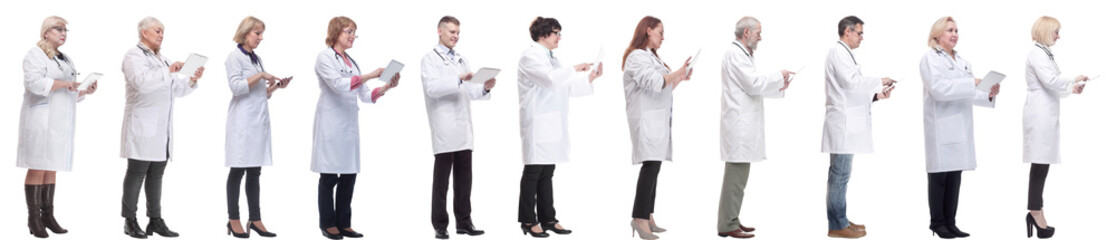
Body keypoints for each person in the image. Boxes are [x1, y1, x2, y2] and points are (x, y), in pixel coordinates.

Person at [312, 16, 400, 240]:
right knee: (329, 176)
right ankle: (327, 223)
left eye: (354, 32)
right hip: (331, 124)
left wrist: (387, 86)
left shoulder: (352, 62)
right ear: (335, 33)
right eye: (348, 32)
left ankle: (344, 223)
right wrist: (370, 74)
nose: (352, 36)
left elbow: (365, 95)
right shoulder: (324, 57)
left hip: (348, 125)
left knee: (349, 175)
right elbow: (338, 85)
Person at [120, 16, 204, 239]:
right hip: (141, 125)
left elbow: (177, 90)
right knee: (137, 173)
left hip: (161, 129)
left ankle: (155, 220)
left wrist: (192, 80)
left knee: (156, 175)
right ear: (144, 32)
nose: (161, 35)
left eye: (163, 32)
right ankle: (129, 220)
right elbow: (141, 82)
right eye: (157, 31)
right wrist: (169, 71)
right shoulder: (133, 56)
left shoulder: (163, 60)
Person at [517, 16, 601, 238]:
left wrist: (590, 77)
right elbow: (550, 80)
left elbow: (565, 86)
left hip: (551, 123)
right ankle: (527, 219)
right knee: (533, 171)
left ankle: (548, 219)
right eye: (556, 33)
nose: (559, 37)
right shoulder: (530, 56)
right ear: (543, 34)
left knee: (547, 172)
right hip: (537, 123)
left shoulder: (552, 59)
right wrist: (574, 68)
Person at [919, 16, 999, 239]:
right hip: (941, 124)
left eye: (956, 30)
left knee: (955, 175)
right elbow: (939, 89)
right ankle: (937, 223)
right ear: (937, 35)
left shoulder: (962, 61)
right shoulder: (930, 59)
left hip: (960, 125)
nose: (954, 34)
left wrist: (988, 94)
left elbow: (971, 93)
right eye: (949, 31)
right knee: (940, 176)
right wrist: (971, 82)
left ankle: (951, 223)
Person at [19, 15, 98, 238]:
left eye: (65, 30)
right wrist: (68, 83)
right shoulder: (34, 55)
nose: (63, 33)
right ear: (46, 32)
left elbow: (69, 92)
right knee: (37, 166)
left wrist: (83, 90)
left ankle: (48, 215)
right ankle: (33, 218)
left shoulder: (65, 59)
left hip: (59, 120)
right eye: (58, 29)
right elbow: (34, 84)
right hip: (40, 120)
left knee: (52, 165)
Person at [716, 16, 793, 239]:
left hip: (743, 125)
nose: (761, 36)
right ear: (746, 32)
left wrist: (780, 86)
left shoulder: (744, 54)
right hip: (738, 126)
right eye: (758, 32)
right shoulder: (734, 54)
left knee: (739, 177)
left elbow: (753, 87)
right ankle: (727, 223)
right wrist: (779, 76)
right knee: (736, 177)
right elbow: (753, 83)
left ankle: (732, 219)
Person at [820, 15, 895, 239]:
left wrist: (877, 96)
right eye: (859, 33)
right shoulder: (837, 52)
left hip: (847, 123)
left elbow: (851, 91)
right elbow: (850, 83)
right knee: (839, 175)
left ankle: (840, 219)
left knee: (842, 175)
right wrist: (879, 80)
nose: (862, 37)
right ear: (847, 32)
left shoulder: (846, 55)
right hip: (842, 124)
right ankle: (837, 224)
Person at [420, 15, 492, 239]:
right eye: (452, 32)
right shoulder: (429, 59)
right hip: (444, 127)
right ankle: (440, 225)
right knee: (441, 183)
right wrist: (459, 79)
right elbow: (432, 87)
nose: (455, 36)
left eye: (458, 32)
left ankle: (464, 222)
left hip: (463, 129)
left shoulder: (461, 59)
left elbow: (470, 91)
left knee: (464, 181)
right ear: (439, 31)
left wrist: (485, 87)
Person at [622, 16, 692, 240]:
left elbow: (664, 88)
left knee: (655, 166)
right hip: (645, 120)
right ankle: (638, 218)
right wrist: (677, 71)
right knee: (650, 166)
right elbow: (655, 82)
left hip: (657, 119)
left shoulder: (652, 57)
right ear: (648, 30)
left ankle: (648, 215)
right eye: (660, 32)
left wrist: (680, 77)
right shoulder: (635, 57)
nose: (663, 37)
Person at [1022, 16, 1088, 239]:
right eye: (1056, 32)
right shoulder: (1036, 53)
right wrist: (1071, 80)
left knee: (1043, 164)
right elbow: (1051, 80)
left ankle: (1036, 210)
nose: (1058, 36)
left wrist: (1071, 89)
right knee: (1039, 164)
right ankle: (1034, 211)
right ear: (1045, 31)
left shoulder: (1045, 54)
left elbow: (1052, 85)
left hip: (1046, 114)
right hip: (1039, 115)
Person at [224, 16, 288, 239]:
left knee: (254, 171)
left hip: (257, 122)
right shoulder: (235, 57)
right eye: (257, 33)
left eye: (262, 34)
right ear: (245, 33)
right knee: (238, 169)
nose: (261, 38)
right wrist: (261, 75)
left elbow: (259, 92)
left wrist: (275, 88)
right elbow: (237, 88)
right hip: (242, 123)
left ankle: (256, 219)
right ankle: (233, 219)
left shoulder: (256, 58)